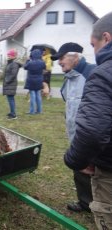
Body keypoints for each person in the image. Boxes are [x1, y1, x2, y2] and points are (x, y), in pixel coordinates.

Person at [64, 11, 112, 229]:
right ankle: (85, 201)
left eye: (94, 45)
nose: (94, 51)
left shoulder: (99, 74)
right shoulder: (68, 80)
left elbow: (93, 130)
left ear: (107, 38)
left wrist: (74, 158)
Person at [51, 42, 95, 213]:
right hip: (76, 135)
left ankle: (101, 206)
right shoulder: (69, 78)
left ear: (75, 57)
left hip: (93, 135)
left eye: (62, 58)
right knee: (80, 168)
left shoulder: (92, 73)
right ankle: (85, 203)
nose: (59, 62)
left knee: (98, 173)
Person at [24, 49, 45, 114]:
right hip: (39, 80)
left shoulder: (30, 62)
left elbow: (25, 67)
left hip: (31, 80)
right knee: (38, 95)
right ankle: (39, 110)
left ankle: (32, 111)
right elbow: (44, 67)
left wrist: (27, 60)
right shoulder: (42, 62)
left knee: (32, 96)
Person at [2, 49, 22, 120]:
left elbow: (13, 74)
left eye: (10, 55)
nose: (8, 56)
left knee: (11, 99)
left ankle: (13, 115)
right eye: (8, 55)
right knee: (10, 99)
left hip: (11, 84)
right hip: (9, 84)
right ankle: (12, 112)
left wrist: (7, 80)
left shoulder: (14, 64)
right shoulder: (10, 63)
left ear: (14, 56)